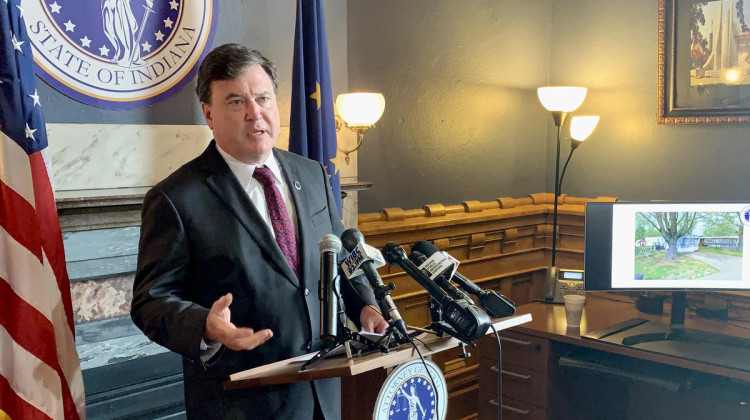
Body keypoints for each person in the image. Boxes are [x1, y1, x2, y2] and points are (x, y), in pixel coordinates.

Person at [131, 43, 388, 420]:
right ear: (208, 114)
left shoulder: (312, 174)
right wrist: (205, 326)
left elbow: (340, 255)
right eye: (236, 102)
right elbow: (150, 301)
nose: (255, 113)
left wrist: (366, 305)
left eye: (263, 98)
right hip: (242, 403)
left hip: (326, 391)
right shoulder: (176, 198)